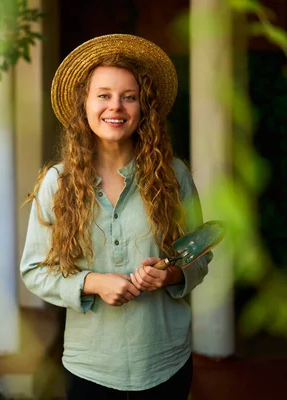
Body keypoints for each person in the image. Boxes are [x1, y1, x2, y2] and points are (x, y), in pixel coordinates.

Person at [20, 34, 212, 400]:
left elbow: (200, 257)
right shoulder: (57, 183)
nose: (116, 107)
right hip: (89, 366)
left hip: (166, 362)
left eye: (129, 96)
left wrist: (169, 274)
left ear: (143, 107)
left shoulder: (174, 177)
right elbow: (34, 270)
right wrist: (93, 283)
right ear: (85, 105)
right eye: (104, 95)